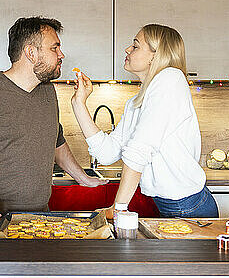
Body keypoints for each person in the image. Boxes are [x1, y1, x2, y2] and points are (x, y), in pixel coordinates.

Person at [0, 16, 106, 217]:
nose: (61, 54)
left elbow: (56, 141)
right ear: (30, 52)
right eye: (54, 48)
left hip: (41, 217)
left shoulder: (48, 92)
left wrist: (83, 178)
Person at [71, 24, 218, 218]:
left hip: (188, 207)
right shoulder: (136, 102)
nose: (127, 50)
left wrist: (118, 208)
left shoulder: (171, 79)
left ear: (155, 55)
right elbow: (107, 154)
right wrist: (78, 104)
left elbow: (138, 150)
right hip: (170, 206)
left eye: (135, 45)